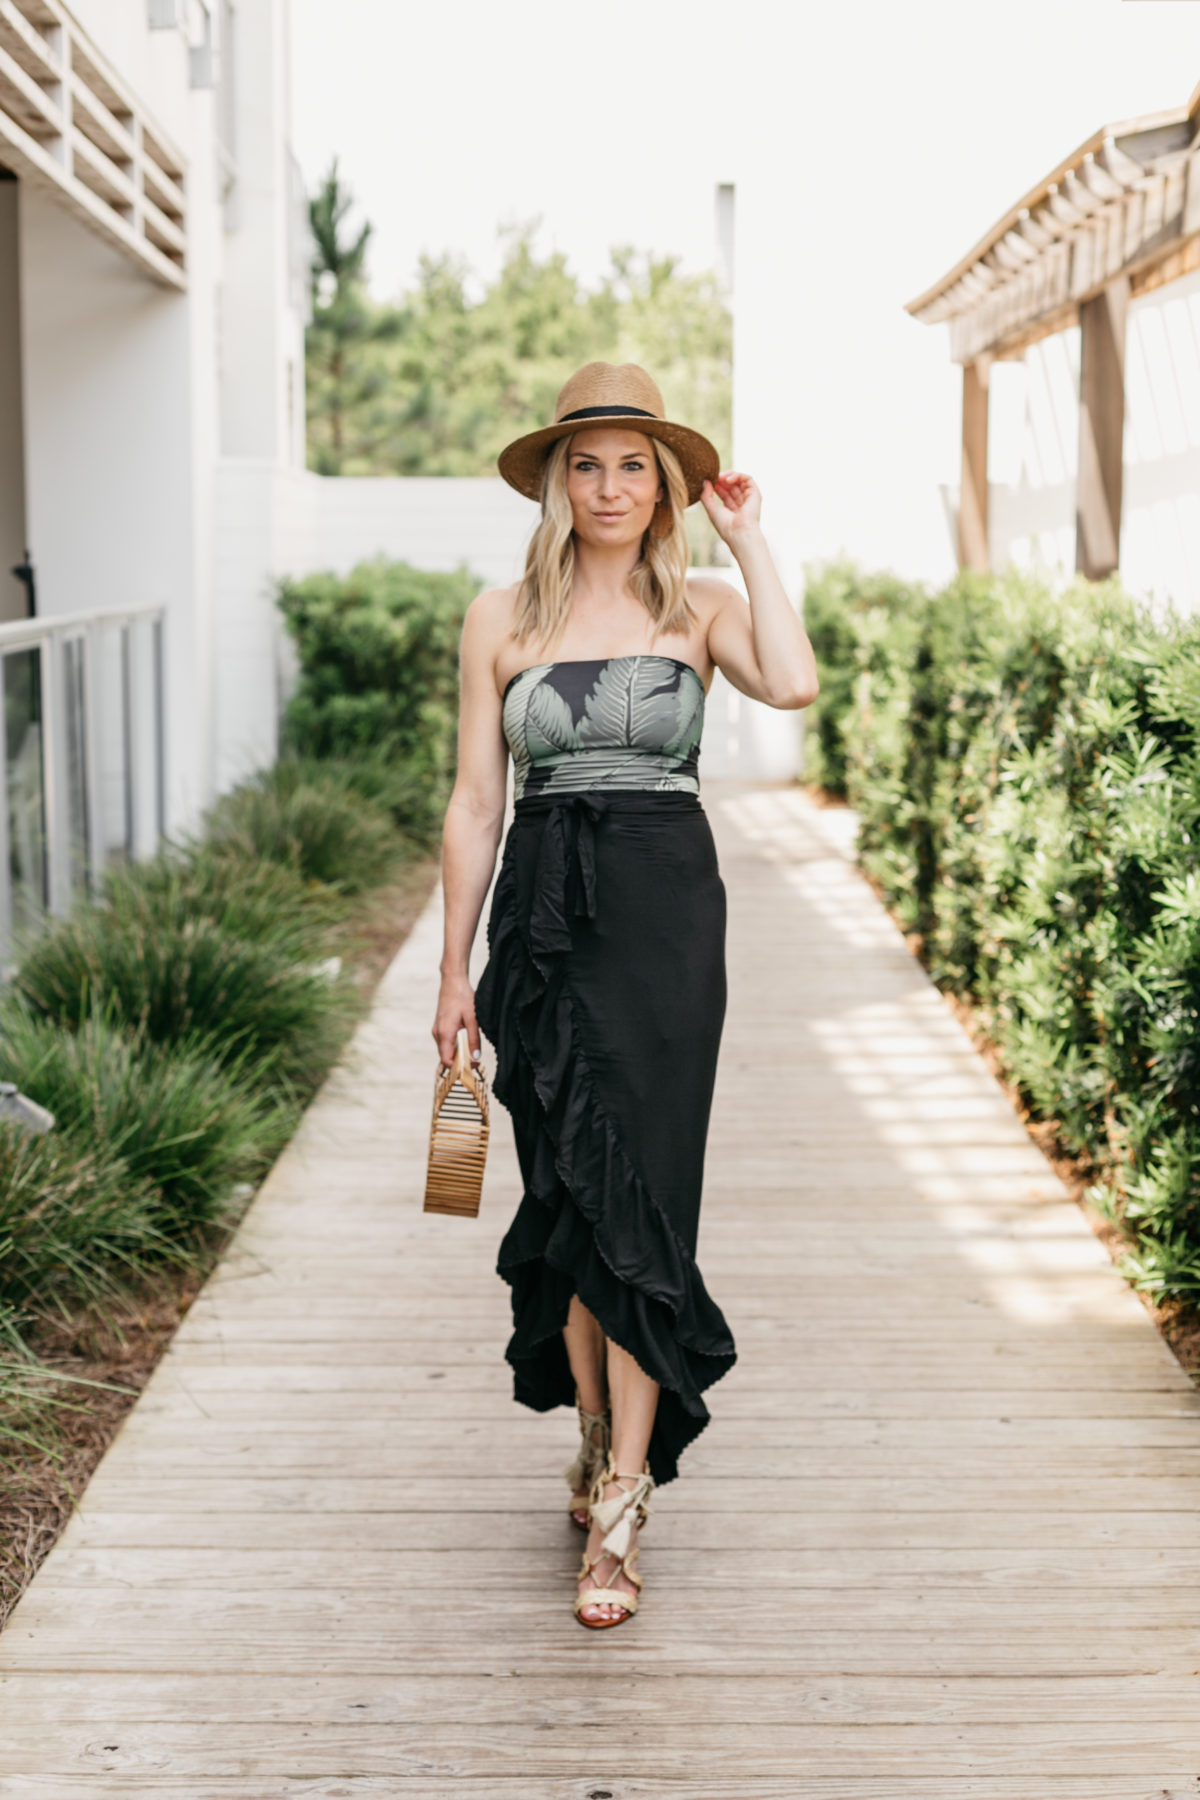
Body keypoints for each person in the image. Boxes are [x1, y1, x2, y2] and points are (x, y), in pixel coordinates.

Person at [432, 362, 818, 1628]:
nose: (608, 487)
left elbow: (796, 680)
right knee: (574, 1197)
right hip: (540, 933)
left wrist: (751, 537)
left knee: (642, 1192)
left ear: (668, 485)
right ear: (556, 479)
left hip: (662, 923)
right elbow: (477, 803)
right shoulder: (500, 618)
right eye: (586, 463)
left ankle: (626, 1502)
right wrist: (451, 969)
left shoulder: (699, 601)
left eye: (633, 465)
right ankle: (599, 1441)